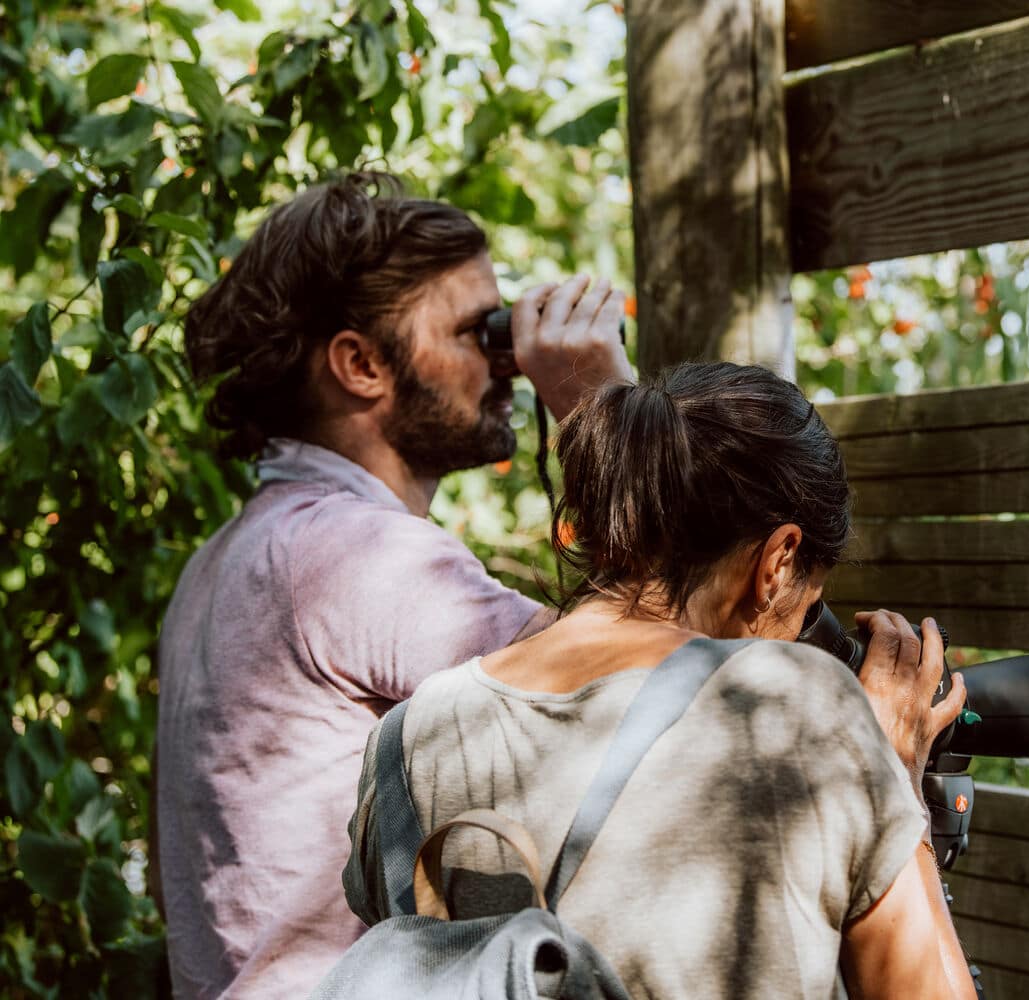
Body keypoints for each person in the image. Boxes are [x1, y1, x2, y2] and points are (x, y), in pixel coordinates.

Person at [343, 362, 980, 1000]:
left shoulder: (408, 737)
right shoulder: (794, 707)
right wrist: (895, 770)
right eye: (809, 607)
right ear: (779, 560)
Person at [154, 171, 634, 999]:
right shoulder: (354, 555)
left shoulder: (233, 554)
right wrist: (602, 410)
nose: (509, 367)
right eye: (478, 333)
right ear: (361, 364)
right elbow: (662, 684)